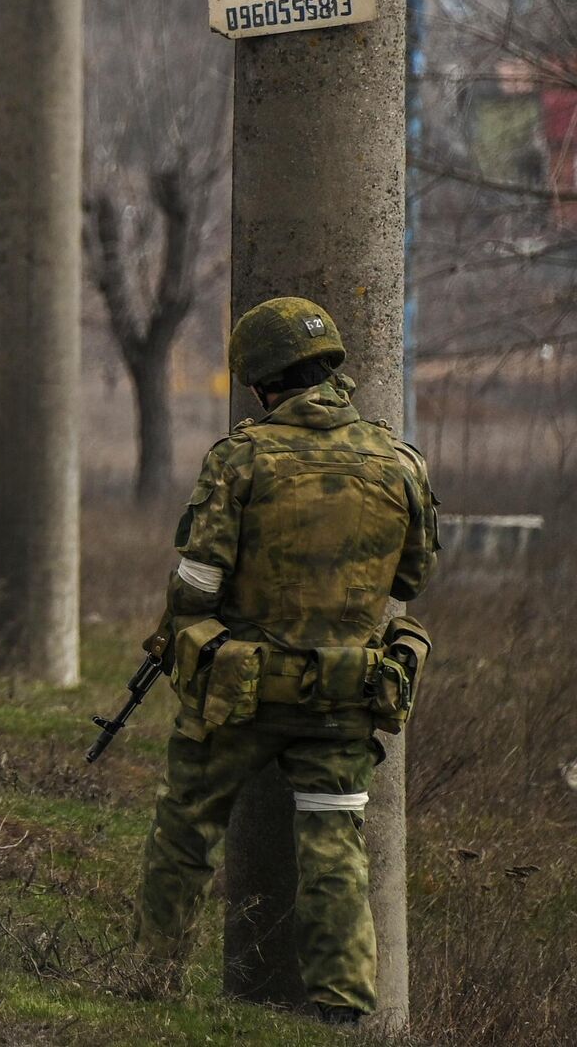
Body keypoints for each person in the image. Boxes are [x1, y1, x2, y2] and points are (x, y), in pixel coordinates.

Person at [134, 297, 439, 1025]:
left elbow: (197, 585)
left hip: (239, 695)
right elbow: (412, 580)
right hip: (345, 695)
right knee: (334, 844)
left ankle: (150, 982)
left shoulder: (240, 458)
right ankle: (341, 1008)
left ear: (262, 382)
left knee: (187, 828)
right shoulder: (398, 462)